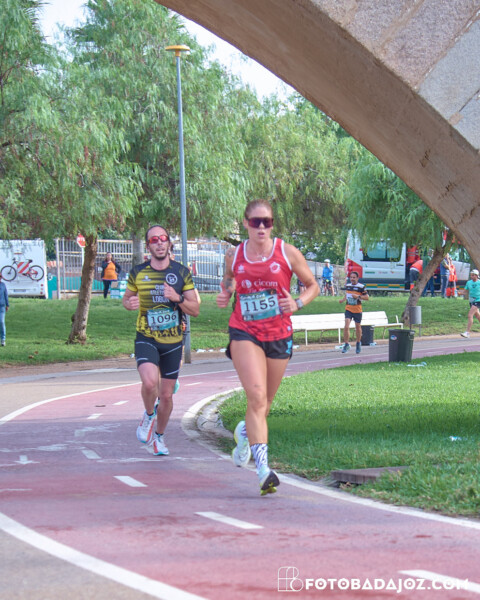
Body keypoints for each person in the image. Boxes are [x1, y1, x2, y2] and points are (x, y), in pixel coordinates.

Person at [216, 199, 319, 495]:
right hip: (244, 330)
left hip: (278, 333)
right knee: (257, 397)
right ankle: (263, 470)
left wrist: (297, 303)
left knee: (265, 404)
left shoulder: (287, 252)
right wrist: (226, 293)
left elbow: (312, 285)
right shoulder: (234, 254)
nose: (261, 227)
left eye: (267, 222)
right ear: (245, 223)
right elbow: (229, 279)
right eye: (255, 222)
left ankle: (244, 432)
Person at [122, 225, 200, 456]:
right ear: (148, 246)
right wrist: (129, 304)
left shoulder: (181, 272)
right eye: (154, 240)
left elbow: (195, 309)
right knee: (149, 384)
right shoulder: (138, 272)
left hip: (173, 341)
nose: (159, 243)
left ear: (169, 243)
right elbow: (127, 299)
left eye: (163, 238)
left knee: (166, 395)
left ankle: (159, 437)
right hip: (146, 336)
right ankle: (148, 415)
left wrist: (177, 298)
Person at [339, 271, 369, 354]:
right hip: (348, 309)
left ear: (357, 278)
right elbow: (347, 294)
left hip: (357, 310)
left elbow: (367, 297)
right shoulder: (348, 286)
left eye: (354, 277)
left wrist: (358, 296)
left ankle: (358, 343)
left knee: (357, 327)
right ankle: (346, 344)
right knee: (346, 326)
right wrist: (343, 300)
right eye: (351, 277)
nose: (352, 279)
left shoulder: (361, 287)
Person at [460, 269, 480, 338]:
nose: (471, 276)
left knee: (470, 315)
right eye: (471, 275)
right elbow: (465, 291)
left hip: (478, 300)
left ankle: (467, 332)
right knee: (478, 316)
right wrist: (460, 293)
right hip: (471, 301)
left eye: (473, 275)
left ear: (476, 276)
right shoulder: (469, 282)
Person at [0, 273, 9, 347]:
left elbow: (6, 295)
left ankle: (3, 339)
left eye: (0, 277)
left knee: (1, 322)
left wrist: (7, 304)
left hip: (1, 306)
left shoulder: (3, 285)